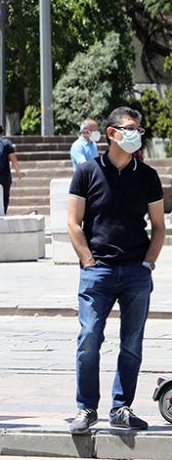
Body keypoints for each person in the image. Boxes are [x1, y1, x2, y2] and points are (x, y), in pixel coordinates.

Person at [67, 107, 165, 434]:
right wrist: (88, 261)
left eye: (139, 128)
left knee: (132, 343)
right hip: (99, 272)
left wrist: (148, 263)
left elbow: (159, 226)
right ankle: (86, 408)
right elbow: (73, 222)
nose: (137, 133)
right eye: (130, 128)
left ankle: (121, 406)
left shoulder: (148, 176)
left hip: (136, 272)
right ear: (112, 133)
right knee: (89, 339)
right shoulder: (86, 171)